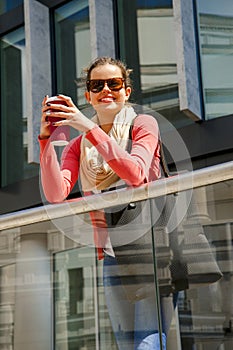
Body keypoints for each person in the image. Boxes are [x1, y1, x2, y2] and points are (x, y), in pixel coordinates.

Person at [39, 56, 175, 349]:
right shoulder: (77, 146)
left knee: (147, 344)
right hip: (113, 255)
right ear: (87, 95)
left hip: (152, 248)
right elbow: (55, 193)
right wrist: (45, 141)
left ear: (127, 91)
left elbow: (136, 173)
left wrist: (89, 127)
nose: (106, 90)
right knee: (125, 345)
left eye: (114, 83)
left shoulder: (143, 123)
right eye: (96, 85)